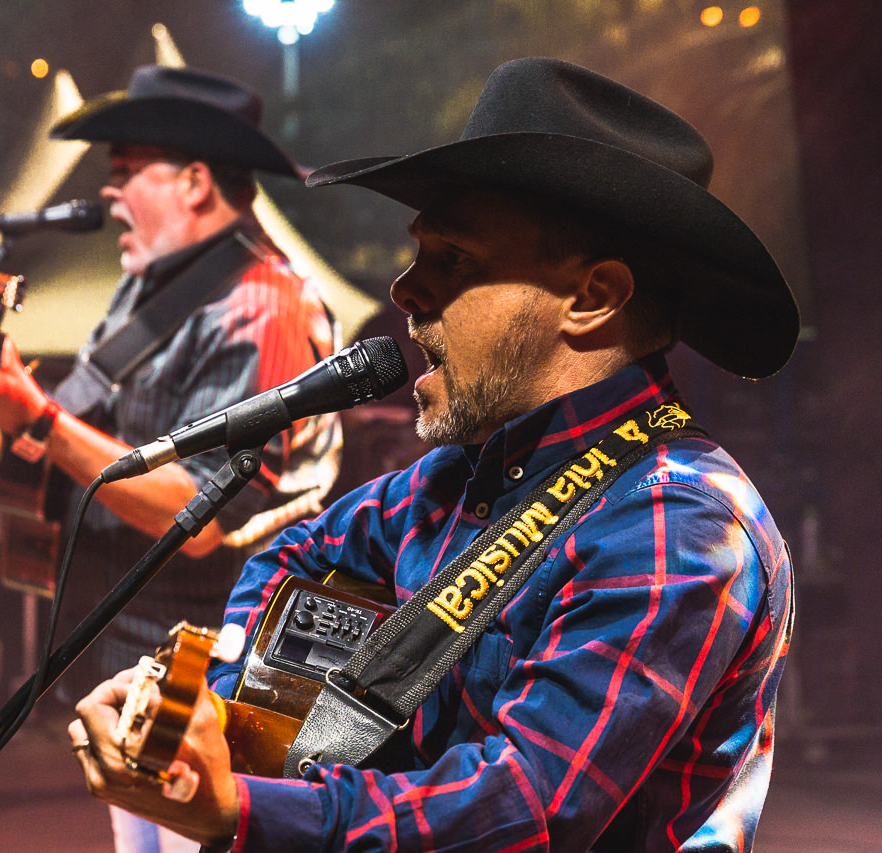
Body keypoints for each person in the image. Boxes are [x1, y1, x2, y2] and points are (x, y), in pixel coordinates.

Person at [68, 56, 800, 852]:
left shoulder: (678, 523)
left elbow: (529, 804)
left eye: (453, 261)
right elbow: (293, 555)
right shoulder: (458, 477)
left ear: (592, 298)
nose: (405, 290)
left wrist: (242, 811)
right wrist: (225, 707)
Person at [0, 65, 341, 853]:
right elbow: (78, 405)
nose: (109, 192)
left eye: (126, 170)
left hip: (215, 676)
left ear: (194, 182)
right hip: (133, 652)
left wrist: (36, 420)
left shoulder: (261, 303)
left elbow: (200, 514)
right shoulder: (154, 285)